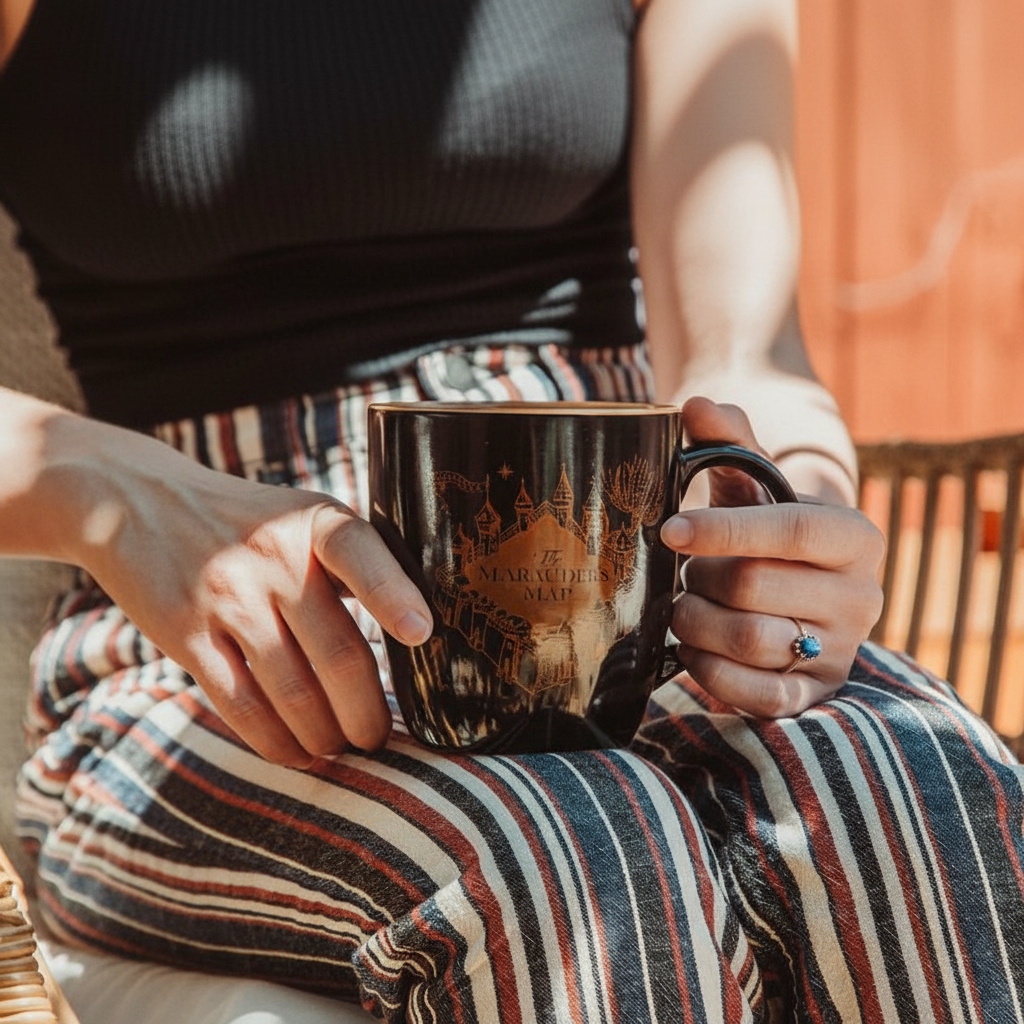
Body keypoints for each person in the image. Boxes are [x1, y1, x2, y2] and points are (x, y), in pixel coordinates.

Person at [0, 0, 1021, 1021]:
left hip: (611, 575)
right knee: (574, 856)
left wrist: (792, 518)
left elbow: (748, 357)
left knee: (926, 788)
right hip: (217, 647)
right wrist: (120, 488)